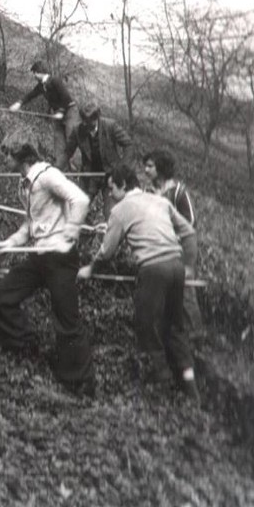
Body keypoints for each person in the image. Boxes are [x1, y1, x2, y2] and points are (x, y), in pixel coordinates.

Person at [77, 164, 200, 403]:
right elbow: (189, 233)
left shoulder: (120, 210)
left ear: (123, 185)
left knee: (146, 325)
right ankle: (190, 388)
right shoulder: (158, 201)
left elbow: (106, 252)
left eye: (112, 189)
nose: (110, 195)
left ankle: (161, 383)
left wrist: (89, 269)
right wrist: (189, 266)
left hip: (153, 270)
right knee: (176, 328)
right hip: (176, 267)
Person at [0, 129, 95, 395]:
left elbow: (80, 199)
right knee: (2, 296)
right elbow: (30, 225)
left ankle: (80, 384)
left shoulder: (47, 175)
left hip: (60, 258)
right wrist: (10, 243)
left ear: (19, 156)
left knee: (67, 322)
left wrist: (69, 234)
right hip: (39, 257)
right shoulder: (24, 184)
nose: (3, 160)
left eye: (6, 155)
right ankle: (27, 345)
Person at [142, 149, 203, 340]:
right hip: (160, 250)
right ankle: (170, 333)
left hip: (181, 250)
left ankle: (196, 335)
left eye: (150, 166)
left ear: (161, 168)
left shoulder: (178, 192)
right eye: (146, 165)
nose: (146, 170)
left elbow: (190, 222)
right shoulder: (148, 191)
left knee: (185, 291)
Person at [57, 102, 133, 218]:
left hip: (111, 176)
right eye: (83, 122)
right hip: (89, 176)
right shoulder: (78, 130)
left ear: (96, 118)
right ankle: (84, 233)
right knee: (77, 210)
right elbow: (67, 152)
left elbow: (128, 145)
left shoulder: (110, 126)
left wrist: (121, 169)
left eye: (89, 123)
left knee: (111, 213)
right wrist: (55, 169)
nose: (85, 125)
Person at [9, 60, 80, 162]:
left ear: (38, 72)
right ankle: (61, 169)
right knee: (58, 143)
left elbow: (66, 98)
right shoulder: (41, 86)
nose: (33, 76)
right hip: (58, 115)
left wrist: (61, 111)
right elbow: (30, 95)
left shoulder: (55, 80)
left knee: (71, 140)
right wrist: (19, 103)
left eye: (34, 73)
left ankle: (77, 169)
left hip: (70, 112)